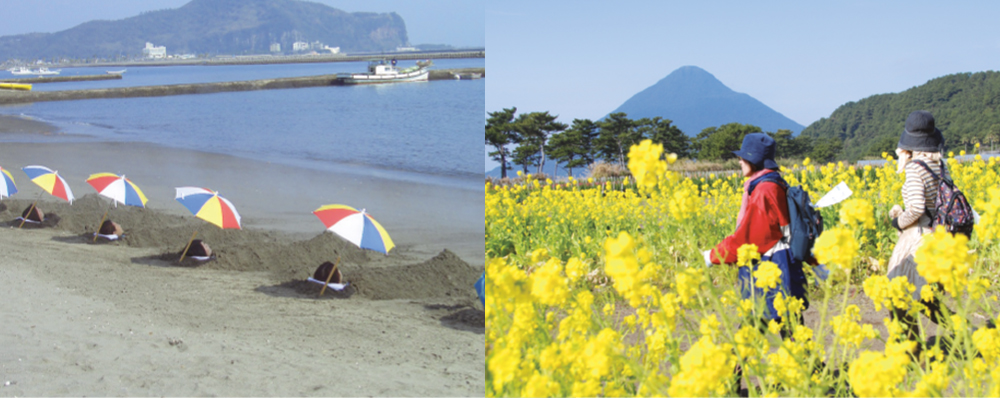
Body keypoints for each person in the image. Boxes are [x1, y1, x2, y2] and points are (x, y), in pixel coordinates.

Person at [705, 133, 809, 327]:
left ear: (754, 159)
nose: (739, 162)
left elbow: (749, 237)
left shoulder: (764, 190)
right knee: (786, 326)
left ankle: (738, 358)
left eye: (743, 157)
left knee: (760, 325)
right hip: (778, 266)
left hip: (772, 268)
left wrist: (713, 256)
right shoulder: (770, 183)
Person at [886, 110, 954, 341]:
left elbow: (915, 208)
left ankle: (908, 349)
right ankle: (962, 329)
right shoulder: (940, 165)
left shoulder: (915, 168)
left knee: (899, 295)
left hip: (918, 238)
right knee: (927, 297)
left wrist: (898, 221)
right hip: (938, 235)